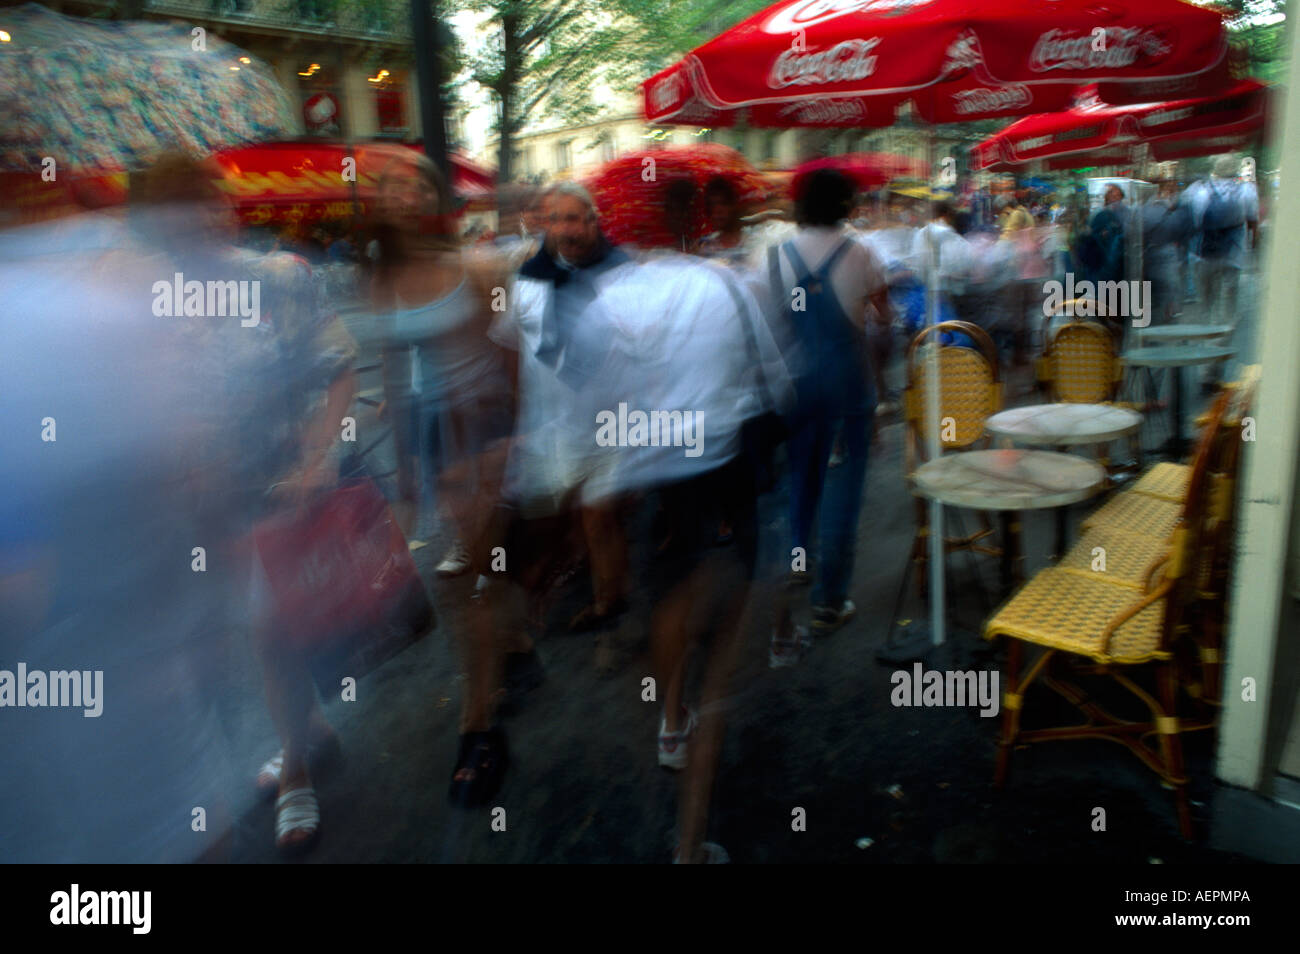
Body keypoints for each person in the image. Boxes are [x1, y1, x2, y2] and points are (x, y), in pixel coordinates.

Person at [368, 151, 528, 806]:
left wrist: (509, 442)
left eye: (416, 184)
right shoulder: (377, 282)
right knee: (482, 570)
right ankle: (515, 644)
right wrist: (406, 472)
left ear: (437, 199)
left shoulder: (476, 266)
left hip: (481, 433)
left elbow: (512, 353)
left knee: (462, 580)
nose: (402, 193)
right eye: (389, 184)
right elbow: (394, 379)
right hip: (433, 443)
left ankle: (479, 726)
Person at [756, 168, 890, 654]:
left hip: (797, 388)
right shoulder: (861, 252)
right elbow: (883, 319)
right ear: (845, 204)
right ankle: (830, 601)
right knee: (843, 493)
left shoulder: (776, 255)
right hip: (848, 391)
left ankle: (797, 563)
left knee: (800, 481)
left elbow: (773, 324)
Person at [1187, 155, 1258, 390]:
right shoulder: (1246, 191)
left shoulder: (1198, 191)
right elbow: (1253, 224)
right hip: (1233, 260)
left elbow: (1190, 224)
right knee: (1227, 316)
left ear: (1214, 171)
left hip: (1201, 259)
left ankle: (1202, 369)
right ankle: (1212, 369)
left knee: (1204, 312)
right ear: (1234, 171)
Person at [1140, 179, 1195, 326]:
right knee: (1170, 289)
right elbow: (1182, 231)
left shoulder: (1145, 209)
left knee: (1156, 292)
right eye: (1169, 190)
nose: (1172, 193)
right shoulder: (1168, 209)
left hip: (1150, 256)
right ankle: (1170, 314)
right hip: (1167, 255)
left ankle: (1158, 316)